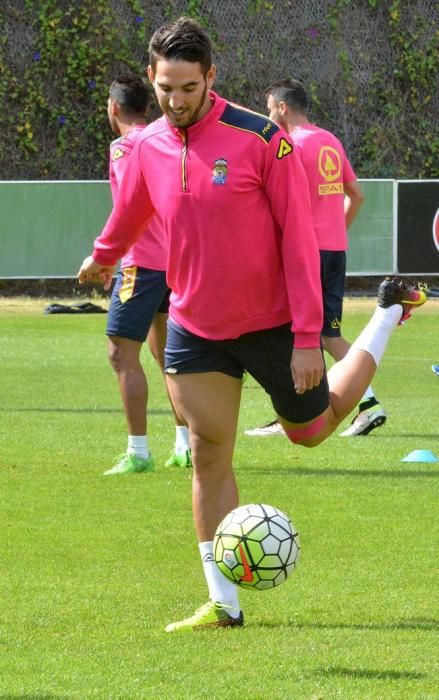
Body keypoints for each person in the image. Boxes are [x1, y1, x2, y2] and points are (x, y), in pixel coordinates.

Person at [77, 17, 427, 631]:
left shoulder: (262, 138)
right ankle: (223, 603)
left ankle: (390, 311)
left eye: (188, 87)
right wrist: (104, 255)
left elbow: (299, 241)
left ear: (211, 78)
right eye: (165, 88)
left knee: (311, 432)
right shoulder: (148, 145)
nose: (176, 100)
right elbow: (131, 210)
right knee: (211, 453)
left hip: (272, 323)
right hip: (194, 325)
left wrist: (303, 338)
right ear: (152, 82)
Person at [245, 79, 386, 438]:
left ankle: (328, 408)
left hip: (305, 253)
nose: (267, 115)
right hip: (333, 250)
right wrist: (334, 232)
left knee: (300, 332)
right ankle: (354, 404)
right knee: (325, 334)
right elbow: (356, 195)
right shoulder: (330, 141)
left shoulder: (290, 145)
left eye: (268, 108)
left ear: (281, 108)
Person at [102, 73, 191, 475]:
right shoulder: (164, 138)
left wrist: (107, 254)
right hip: (176, 261)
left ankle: (138, 452)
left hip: (143, 263)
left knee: (122, 354)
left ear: (114, 108)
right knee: (167, 356)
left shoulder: (125, 147)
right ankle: (185, 445)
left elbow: (128, 210)